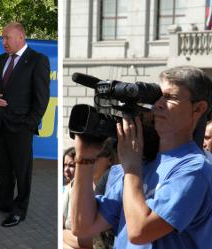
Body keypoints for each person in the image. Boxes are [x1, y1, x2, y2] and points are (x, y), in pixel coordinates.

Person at [71, 66, 212, 249]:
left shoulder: (194, 168)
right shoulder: (141, 162)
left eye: (170, 97)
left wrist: (131, 168)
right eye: (158, 97)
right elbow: (83, 227)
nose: (158, 105)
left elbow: (140, 232)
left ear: (198, 108)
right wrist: (85, 158)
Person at [0, 22, 50, 227]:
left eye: (6, 38)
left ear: (20, 37)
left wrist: (30, 124)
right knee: (3, 167)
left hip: (21, 127)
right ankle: (3, 202)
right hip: (1, 123)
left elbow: (41, 98)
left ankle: (19, 210)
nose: (3, 42)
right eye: (2, 38)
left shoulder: (37, 60)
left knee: (22, 170)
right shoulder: (1, 59)